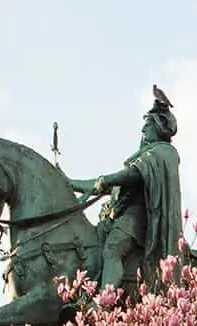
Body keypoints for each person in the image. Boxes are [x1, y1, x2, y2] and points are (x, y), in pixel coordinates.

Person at [70, 86, 184, 291]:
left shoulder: (162, 153)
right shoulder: (145, 156)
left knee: (113, 249)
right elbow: (98, 185)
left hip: (139, 219)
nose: (142, 130)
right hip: (122, 216)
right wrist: (68, 182)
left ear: (157, 127)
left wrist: (107, 179)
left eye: (147, 124)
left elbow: (131, 175)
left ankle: (105, 300)